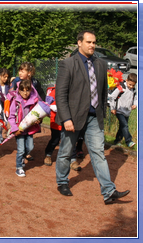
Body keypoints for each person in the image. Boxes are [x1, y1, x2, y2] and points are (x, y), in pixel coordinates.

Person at [55, 30, 130, 204]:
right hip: (72, 118)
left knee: (98, 153)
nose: (92, 45)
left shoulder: (101, 64)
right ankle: (62, 182)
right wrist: (66, 118)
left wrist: (102, 112)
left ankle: (109, 191)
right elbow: (61, 94)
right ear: (79, 43)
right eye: (89, 42)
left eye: (94, 42)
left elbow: (103, 92)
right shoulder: (68, 64)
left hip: (94, 116)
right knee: (66, 151)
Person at [8, 79, 41, 177]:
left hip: (29, 129)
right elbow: (11, 117)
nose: (25, 93)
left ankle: (23, 156)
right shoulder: (15, 102)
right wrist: (15, 129)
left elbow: (37, 114)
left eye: (28, 90)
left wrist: (37, 120)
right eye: (23, 90)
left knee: (30, 147)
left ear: (31, 90)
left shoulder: (34, 101)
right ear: (19, 90)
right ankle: (19, 167)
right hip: (19, 130)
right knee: (21, 149)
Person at [109, 72, 137, 148]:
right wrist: (113, 108)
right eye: (130, 84)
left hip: (127, 112)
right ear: (126, 80)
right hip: (119, 111)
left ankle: (117, 140)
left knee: (122, 127)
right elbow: (112, 97)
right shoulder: (121, 88)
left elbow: (135, 99)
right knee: (125, 125)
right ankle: (129, 141)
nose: (131, 86)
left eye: (133, 85)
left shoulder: (133, 91)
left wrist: (135, 104)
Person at [43, 85, 61, 166]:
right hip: (56, 120)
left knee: (70, 140)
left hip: (69, 119)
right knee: (55, 139)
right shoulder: (52, 90)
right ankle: (48, 154)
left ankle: (72, 159)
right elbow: (50, 105)